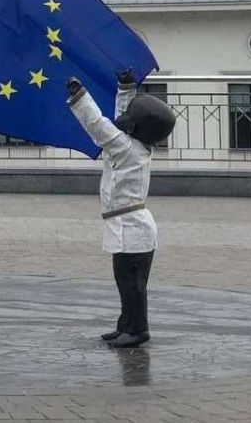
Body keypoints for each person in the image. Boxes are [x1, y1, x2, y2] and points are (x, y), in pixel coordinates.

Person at [67, 69, 175, 348]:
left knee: (133, 284)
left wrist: (80, 97)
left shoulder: (125, 148)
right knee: (126, 282)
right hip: (127, 226)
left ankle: (138, 329)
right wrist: (125, 88)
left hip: (132, 228)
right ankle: (126, 325)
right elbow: (122, 121)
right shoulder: (136, 144)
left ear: (137, 128)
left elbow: (99, 126)